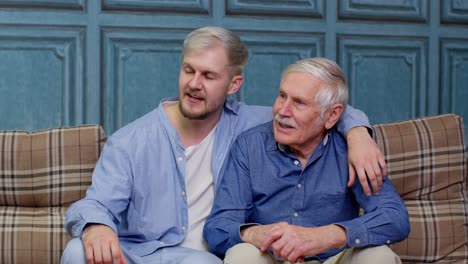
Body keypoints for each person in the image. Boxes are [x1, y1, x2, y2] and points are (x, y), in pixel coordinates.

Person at [61, 27, 387, 264]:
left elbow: (315, 113)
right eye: (189, 70)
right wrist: (95, 226)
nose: (194, 84)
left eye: (208, 76)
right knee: (77, 250)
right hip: (134, 254)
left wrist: (358, 132)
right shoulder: (131, 141)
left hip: (202, 259)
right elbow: (96, 203)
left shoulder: (254, 123)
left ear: (234, 84)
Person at [203, 57, 410, 264]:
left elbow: (395, 218)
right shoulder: (249, 146)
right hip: (272, 259)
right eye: (282, 96)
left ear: (332, 115)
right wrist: (256, 234)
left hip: (333, 258)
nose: (282, 111)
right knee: (243, 255)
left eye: (299, 103)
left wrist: (326, 236)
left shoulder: (351, 150)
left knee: (378, 256)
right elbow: (217, 227)